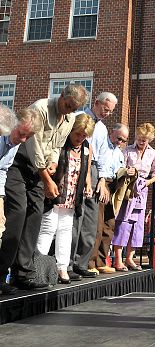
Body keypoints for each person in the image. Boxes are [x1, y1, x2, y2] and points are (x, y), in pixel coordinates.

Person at [0, 84, 88, 290]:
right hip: (19, 164)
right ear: (61, 96)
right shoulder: (40, 108)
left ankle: (23, 272)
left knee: (35, 216)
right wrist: (47, 178)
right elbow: (33, 145)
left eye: (74, 109)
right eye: (68, 105)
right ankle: (1, 272)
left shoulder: (68, 120)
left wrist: (54, 163)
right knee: (18, 213)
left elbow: (56, 146)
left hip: (40, 170)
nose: (69, 111)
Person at [36, 114, 95, 284]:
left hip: (72, 195)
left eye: (84, 135)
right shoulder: (61, 143)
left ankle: (62, 267)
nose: (80, 138)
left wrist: (88, 185)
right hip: (56, 193)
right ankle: (38, 266)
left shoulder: (86, 147)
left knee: (66, 230)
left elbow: (87, 168)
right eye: (78, 134)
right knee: (48, 228)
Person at [71, 92, 118, 278]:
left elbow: (104, 155)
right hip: (78, 163)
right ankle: (69, 263)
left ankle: (83, 262)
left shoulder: (102, 129)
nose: (107, 113)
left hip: (95, 169)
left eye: (110, 111)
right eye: (105, 109)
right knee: (76, 215)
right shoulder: (78, 118)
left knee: (91, 219)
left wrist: (102, 180)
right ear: (96, 103)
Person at [0, 108, 41, 295]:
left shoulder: (14, 143)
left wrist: (1, 200)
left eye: (28, 137)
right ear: (13, 125)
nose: (23, 140)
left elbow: (2, 170)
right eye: (21, 134)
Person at [112, 122, 155, 272]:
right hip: (127, 188)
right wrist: (127, 171)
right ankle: (118, 258)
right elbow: (118, 168)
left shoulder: (153, 153)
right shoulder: (127, 150)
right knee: (123, 222)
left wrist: (148, 181)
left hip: (142, 189)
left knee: (137, 226)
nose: (141, 142)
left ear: (150, 139)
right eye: (140, 138)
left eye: (145, 139)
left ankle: (130, 258)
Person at [88, 123, 129, 274]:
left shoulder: (118, 152)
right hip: (101, 183)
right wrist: (103, 183)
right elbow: (99, 165)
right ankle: (90, 263)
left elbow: (118, 170)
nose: (120, 142)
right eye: (119, 138)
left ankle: (100, 261)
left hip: (113, 186)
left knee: (109, 225)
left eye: (124, 140)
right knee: (97, 226)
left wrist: (127, 172)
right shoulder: (103, 145)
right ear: (112, 132)